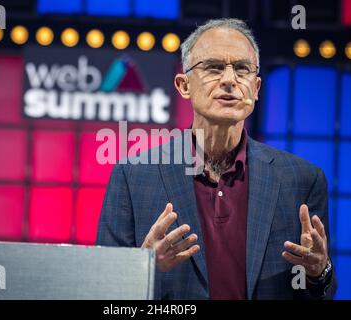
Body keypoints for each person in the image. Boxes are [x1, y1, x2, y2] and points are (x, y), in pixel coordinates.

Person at [96, 18, 337, 299]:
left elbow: (321, 291)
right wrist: (144, 267)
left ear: (256, 88)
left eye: (242, 69)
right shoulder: (132, 175)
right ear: (184, 85)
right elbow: (105, 291)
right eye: (214, 67)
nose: (229, 80)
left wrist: (319, 270)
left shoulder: (302, 180)